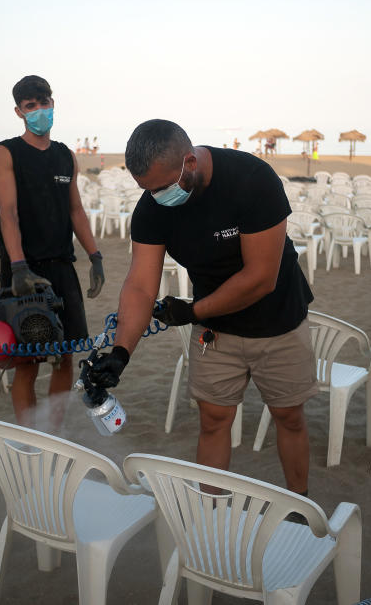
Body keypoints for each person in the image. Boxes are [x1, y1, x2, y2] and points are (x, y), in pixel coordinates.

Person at [87, 119, 317, 502]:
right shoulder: (153, 207)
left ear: (190, 162)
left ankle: (300, 503)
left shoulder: (251, 180)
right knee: (213, 421)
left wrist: (194, 311)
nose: (156, 197)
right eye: (147, 190)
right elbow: (141, 285)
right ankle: (211, 510)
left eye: (162, 187)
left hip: (278, 322)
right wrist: (121, 353)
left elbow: (261, 278)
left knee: (288, 418)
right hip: (215, 333)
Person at [0, 74, 105, 426]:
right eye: (30, 106)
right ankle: (29, 435)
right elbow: (7, 213)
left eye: (44, 103)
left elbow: (76, 210)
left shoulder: (65, 156)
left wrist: (95, 255)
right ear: (19, 111)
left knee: (64, 356)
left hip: (61, 267)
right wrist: (20, 267)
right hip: (24, 270)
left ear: (53, 104)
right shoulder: (6, 152)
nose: (39, 110)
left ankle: (54, 431)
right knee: (25, 362)